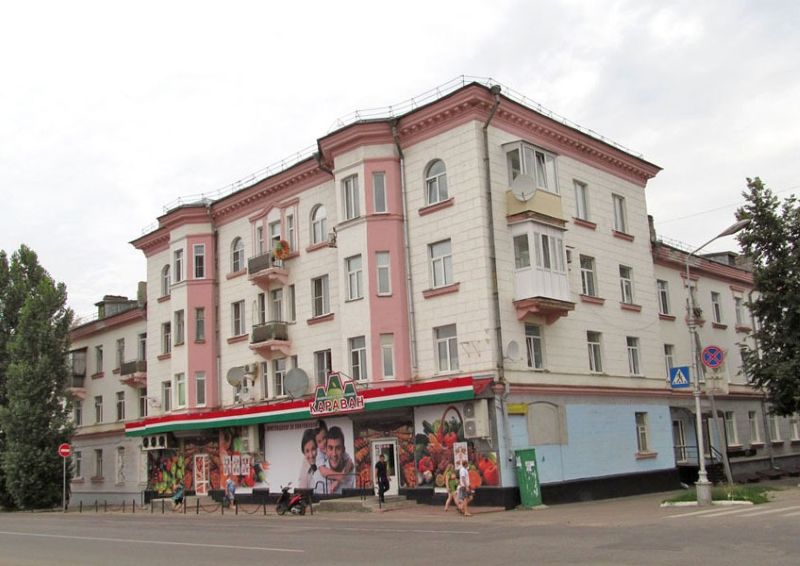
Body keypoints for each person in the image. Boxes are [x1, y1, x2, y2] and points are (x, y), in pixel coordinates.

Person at [319, 426, 354, 494]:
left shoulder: (353, 476)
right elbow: (322, 471)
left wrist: (337, 481)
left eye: (338, 448)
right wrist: (341, 477)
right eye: (330, 448)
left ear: (343, 450)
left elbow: (350, 463)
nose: (334, 454)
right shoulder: (316, 477)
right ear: (325, 450)